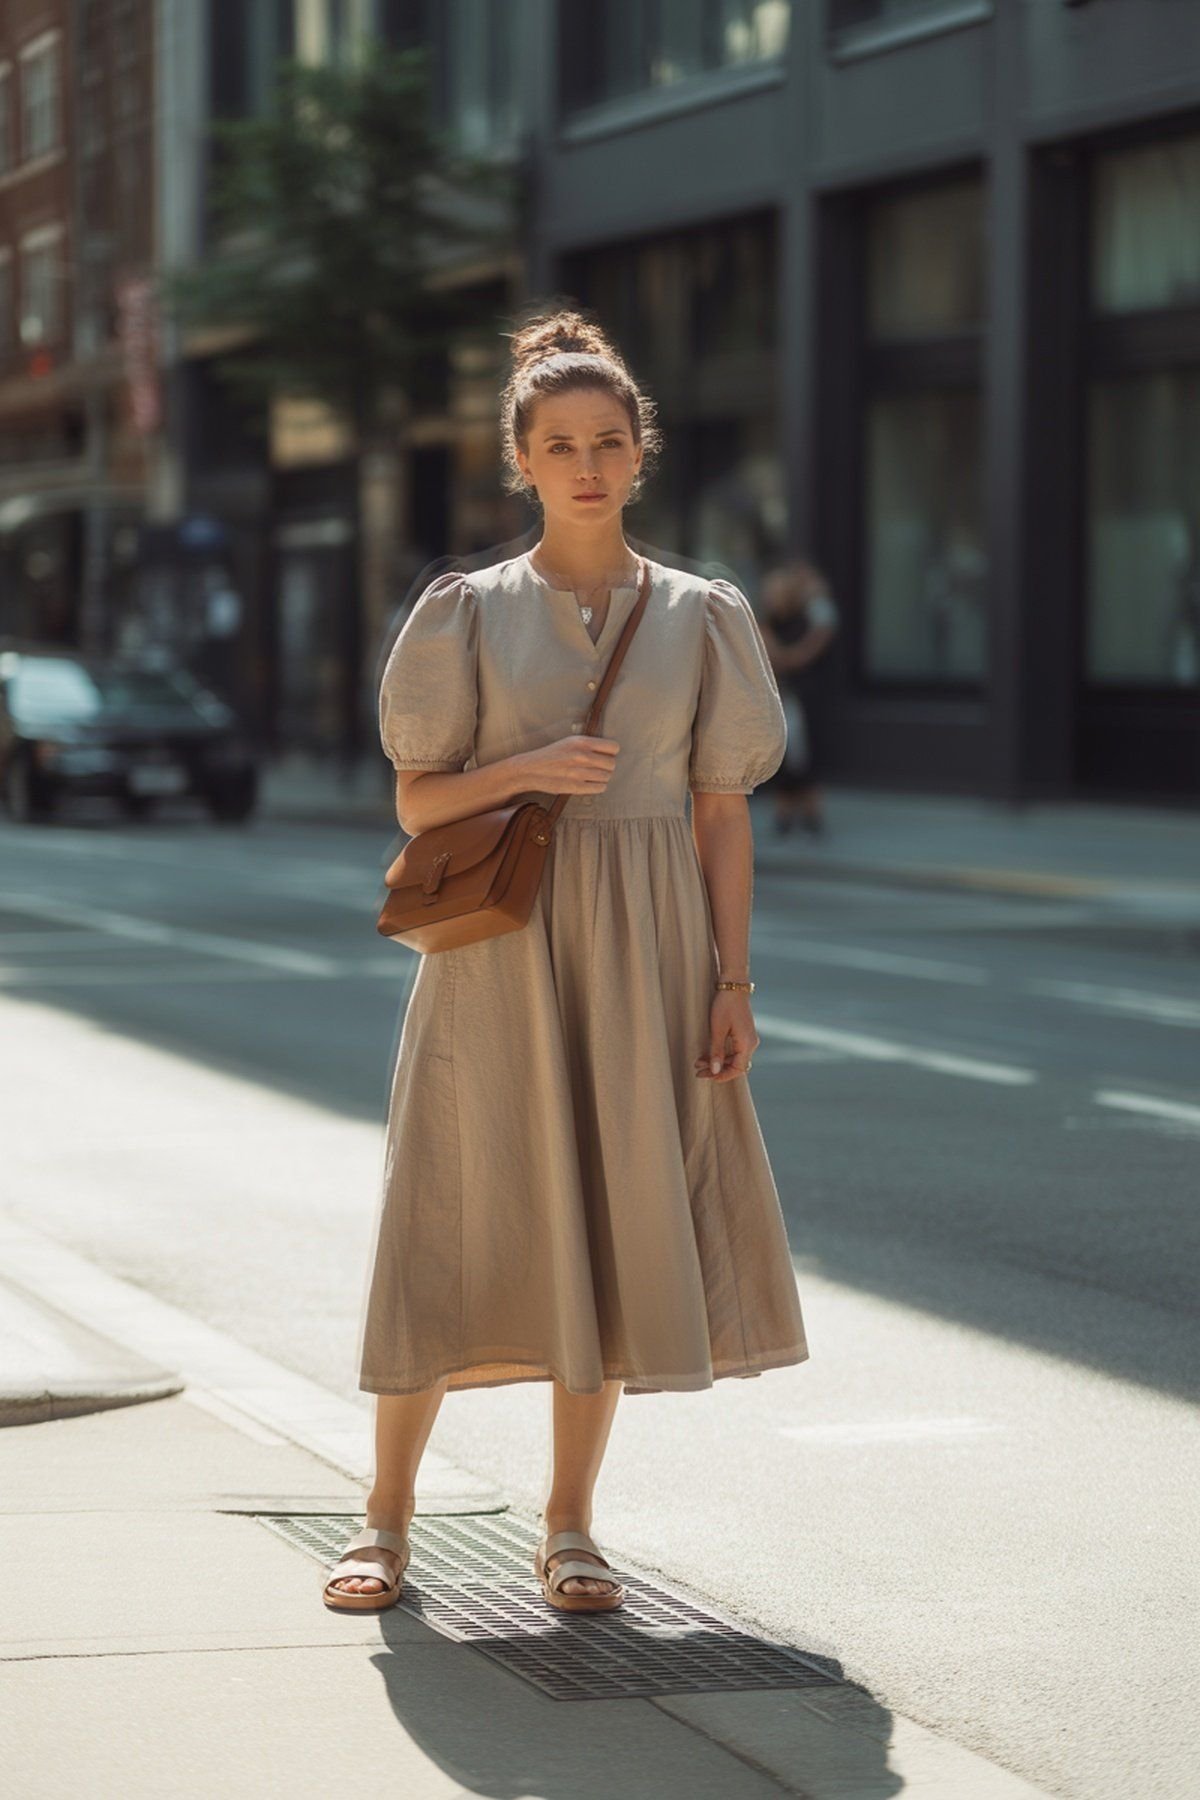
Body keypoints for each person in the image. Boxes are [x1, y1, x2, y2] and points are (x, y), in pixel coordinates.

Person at [323, 308, 810, 1616]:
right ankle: (384, 1519)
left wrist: (733, 982)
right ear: (521, 461)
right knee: (446, 1220)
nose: (586, 464)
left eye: (608, 441)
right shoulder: (466, 615)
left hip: (647, 948)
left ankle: (571, 1528)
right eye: (560, 445)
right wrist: (530, 769)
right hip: (498, 957)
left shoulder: (703, 617)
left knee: (604, 1221)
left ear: (639, 454)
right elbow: (420, 804)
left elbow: (722, 812)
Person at [758, 561, 839, 837]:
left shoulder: (808, 621)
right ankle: (786, 813)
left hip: (806, 698)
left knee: (806, 754)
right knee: (784, 756)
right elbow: (775, 656)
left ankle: (809, 812)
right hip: (780, 696)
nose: (775, 595)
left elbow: (801, 654)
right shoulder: (767, 623)